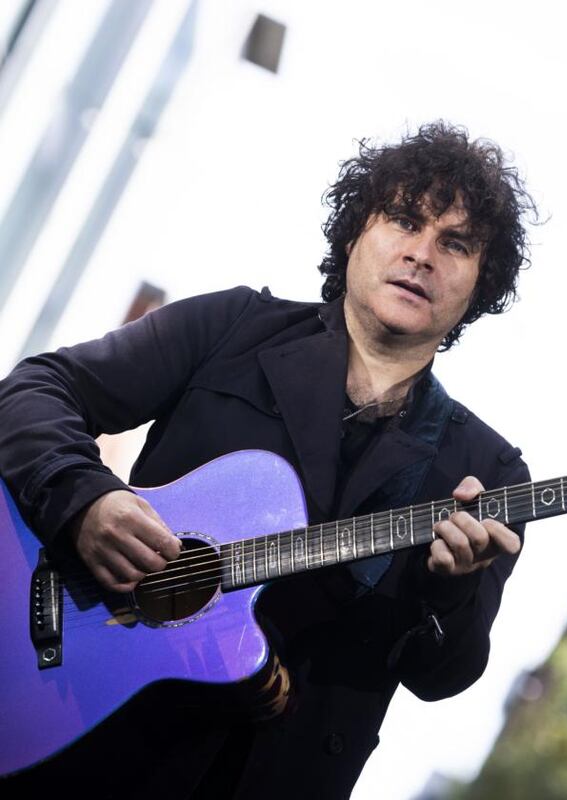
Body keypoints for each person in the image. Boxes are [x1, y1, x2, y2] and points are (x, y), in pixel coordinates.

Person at [0, 121, 536, 798]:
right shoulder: (233, 328)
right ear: (353, 234)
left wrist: (451, 589)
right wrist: (82, 498)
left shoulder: (489, 472)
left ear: (478, 286)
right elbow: (34, 391)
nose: (422, 254)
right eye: (403, 220)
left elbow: (445, 675)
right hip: (85, 733)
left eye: (455, 244)